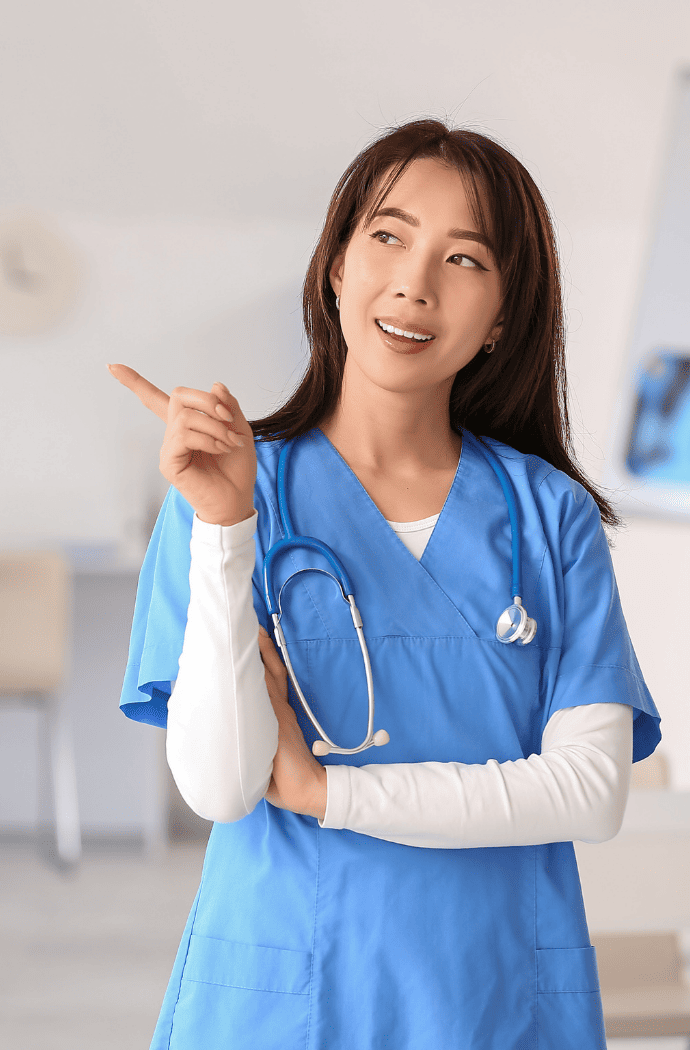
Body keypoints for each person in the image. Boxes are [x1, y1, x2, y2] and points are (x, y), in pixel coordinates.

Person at [111, 118, 661, 1050]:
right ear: (335, 265)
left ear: (503, 318)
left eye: (467, 259)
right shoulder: (234, 496)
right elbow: (221, 785)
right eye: (389, 236)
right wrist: (224, 530)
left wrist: (336, 797)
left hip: (493, 995)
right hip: (284, 990)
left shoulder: (548, 515)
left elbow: (591, 789)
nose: (415, 282)